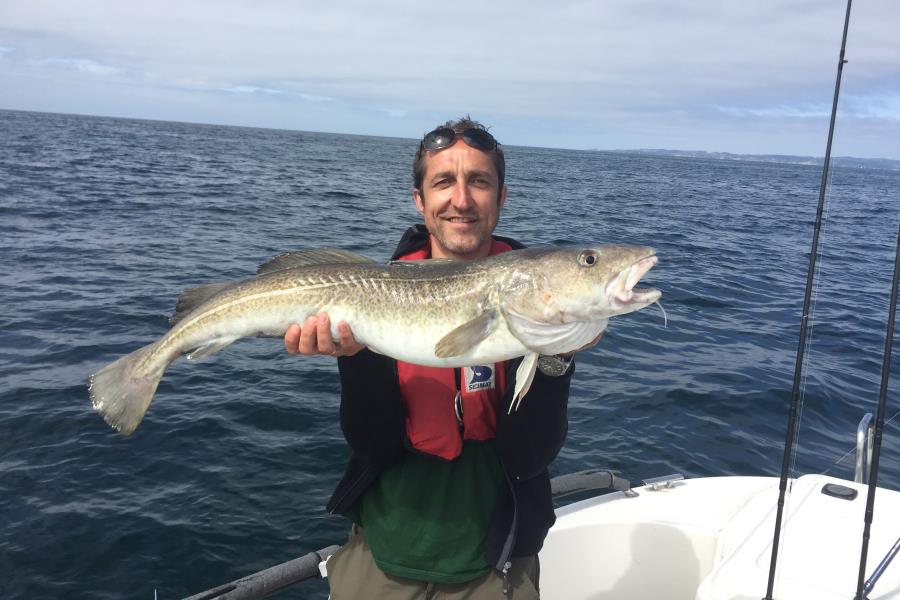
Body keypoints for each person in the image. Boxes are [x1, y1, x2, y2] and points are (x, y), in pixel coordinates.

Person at [284, 117, 597, 599]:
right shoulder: (376, 292)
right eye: (444, 181)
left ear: (502, 197)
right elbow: (371, 445)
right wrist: (357, 357)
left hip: (497, 564)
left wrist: (556, 359)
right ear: (419, 199)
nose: (462, 199)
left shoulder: (529, 297)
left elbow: (530, 457)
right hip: (384, 554)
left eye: (479, 181)